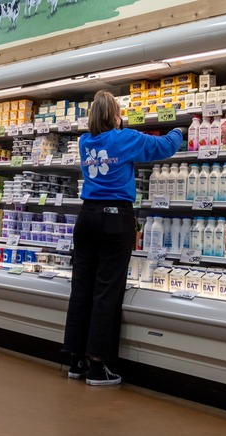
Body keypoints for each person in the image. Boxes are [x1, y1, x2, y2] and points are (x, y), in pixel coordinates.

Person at [63, 90, 185, 386]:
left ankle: (76, 360)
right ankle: (98, 365)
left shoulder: (84, 141)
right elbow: (163, 147)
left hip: (87, 216)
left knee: (82, 286)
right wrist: (180, 129)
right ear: (114, 115)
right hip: (115, 218)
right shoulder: (124, 138)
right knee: (107, 290)